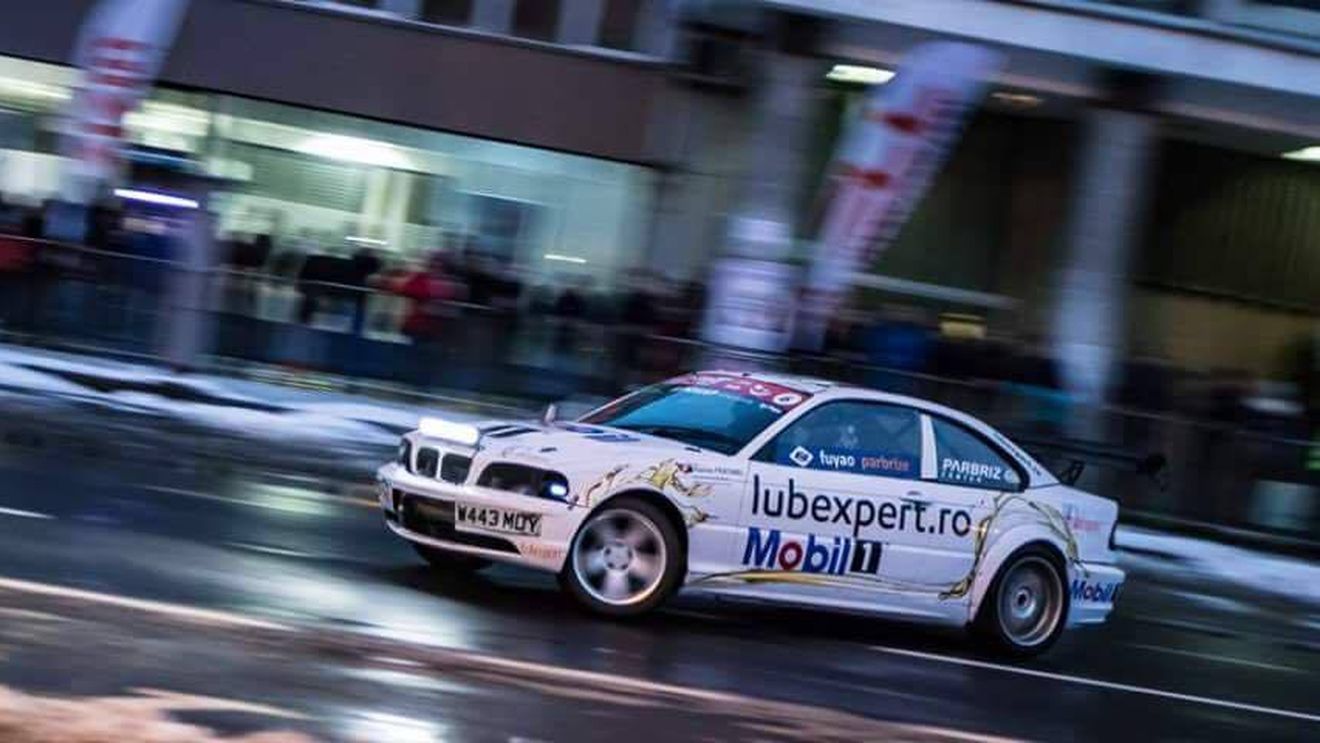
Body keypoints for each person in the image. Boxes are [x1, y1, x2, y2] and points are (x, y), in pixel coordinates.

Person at [393, 252, 460, 388]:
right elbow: (407, 289)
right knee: (417, 355)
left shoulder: (448, 281)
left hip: (437, 327)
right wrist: (426, 299)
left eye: (440, 265)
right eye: (434, 264)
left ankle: (423, 383)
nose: (436, 268)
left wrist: (436, 305)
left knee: (430, 357)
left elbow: (454, 299)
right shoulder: (421, 278)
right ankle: (413, 383)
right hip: (419, 325)